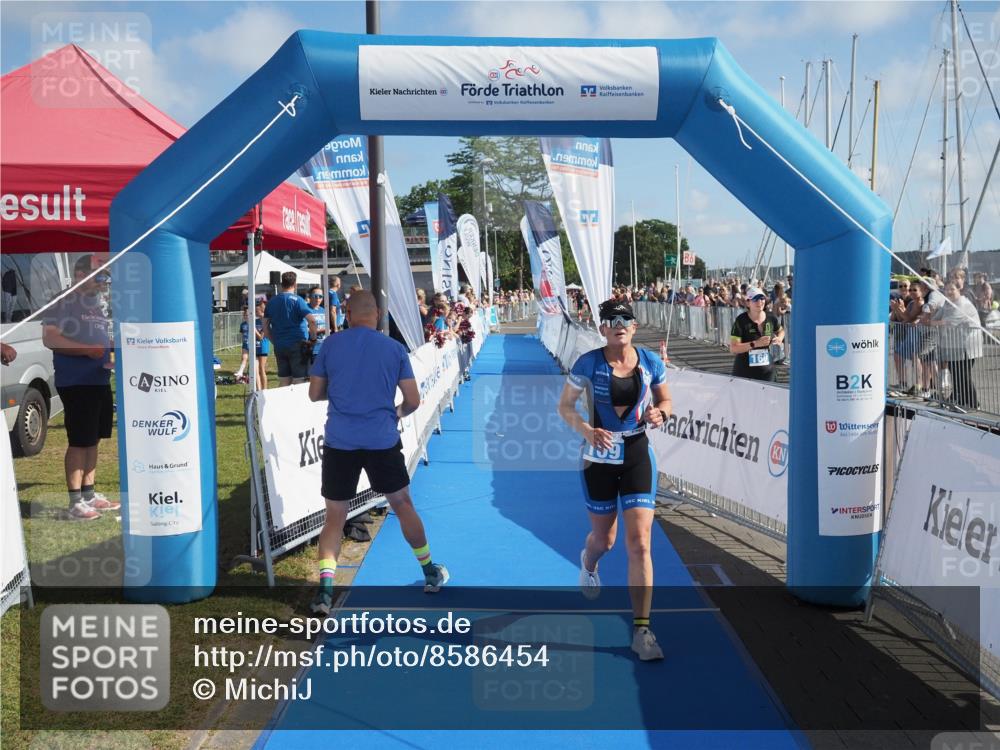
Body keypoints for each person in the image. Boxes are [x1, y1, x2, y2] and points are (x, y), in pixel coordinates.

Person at [308, 291, 448, 614]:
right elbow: (413, 400)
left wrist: (341, 388)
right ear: (378, 313)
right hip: (382, 439)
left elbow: (315, 393)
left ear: (346, 312)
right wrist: (396, 412)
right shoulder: (394, 348)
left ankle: (325, 593)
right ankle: (429, 571)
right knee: (402, 503)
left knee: (335, 516)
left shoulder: (331, 344)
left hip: (340, 441)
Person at [558, 299, 673, 661]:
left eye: (626, 319)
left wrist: (661, 413)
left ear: (634, 327)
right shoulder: (588, 363)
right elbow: (564, 407)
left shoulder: (650, 362)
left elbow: (666, 401)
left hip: (638, 451)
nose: (619, 324)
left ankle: (642, 629)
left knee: (639, 542)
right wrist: (587, 429)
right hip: (599, 458)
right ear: (602, 328)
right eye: (612, 319)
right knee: (604, 540)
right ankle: (588, 563)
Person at [42, 255, 121, 521]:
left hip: (98, 379)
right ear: (80, 273)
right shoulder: (63, 300)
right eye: (100, 277)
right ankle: (75, 502)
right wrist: (86, 350)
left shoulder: (95, 305)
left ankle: (89, 494)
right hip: (76, 382)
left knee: (94, 439)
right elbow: (50, 337)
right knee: (79, 441)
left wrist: (111, 351)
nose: (103, 283)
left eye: (106, 278)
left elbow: (98, 339)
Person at [929, 281, 983, 409]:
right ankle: (961, 401)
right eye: (946, 290)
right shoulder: (947, 303)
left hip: (967, 347)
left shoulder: (963, 304)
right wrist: (935, 321)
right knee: (956, 374)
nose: (948, 292)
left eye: (952, 289)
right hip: (954, 346)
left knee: (963, 375)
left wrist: (936, 321)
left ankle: (974, 404)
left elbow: (948, 322)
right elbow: (934, 319)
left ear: (959, 290)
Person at [263, 272, 317, 387]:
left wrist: (275, 342)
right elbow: (312, 321)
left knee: (284, 380)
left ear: (282, 284)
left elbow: (266, 329)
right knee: (300, 380)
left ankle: (281, 404)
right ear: (295, 284)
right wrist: (313, 339)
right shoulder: (298, 301)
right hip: (298, 344)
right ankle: (298, 405)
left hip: (280, 345)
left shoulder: (271, 302)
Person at [728, 287, 784, 382]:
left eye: (762, 298)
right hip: (744, 372)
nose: (760, 302)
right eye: (755, 299)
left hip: (767, 371)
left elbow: (781, 330)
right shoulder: (741, 321)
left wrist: (779, 338)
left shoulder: (771, 317)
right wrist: (755, 344)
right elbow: (733, 348)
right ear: (748, 303)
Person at [307, 286, 328, 363]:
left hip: (323, 347)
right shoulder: (306, 310)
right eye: (315, 296)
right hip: (311, 348)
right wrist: (319, 331)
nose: (318, 298)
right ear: (310, 297)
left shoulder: (323, 310)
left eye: (320, 296)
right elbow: (303, 329)